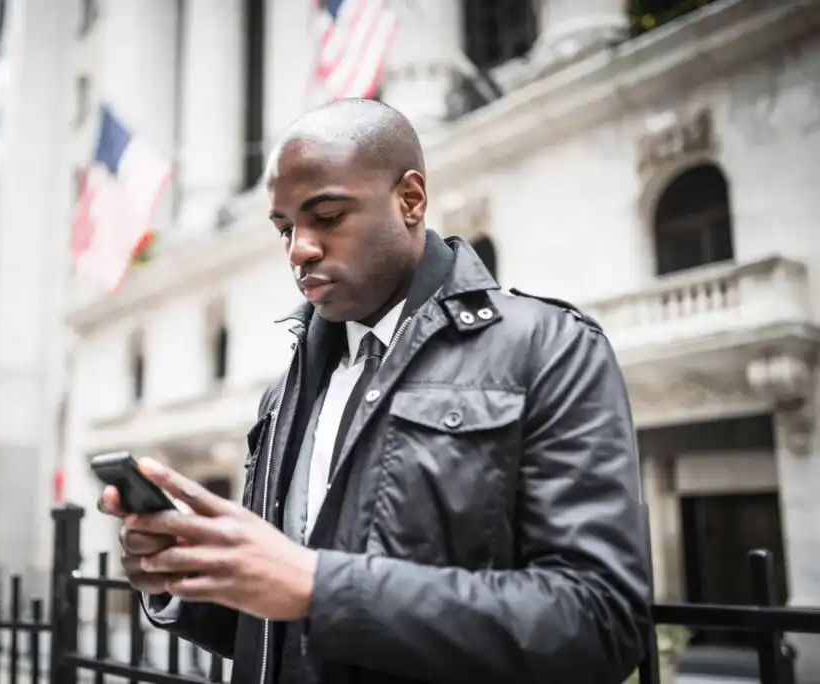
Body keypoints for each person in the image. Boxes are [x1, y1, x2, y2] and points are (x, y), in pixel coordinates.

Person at [99, 98, 651, 684]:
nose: (298, 250)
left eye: (328, 217)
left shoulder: (548, 347)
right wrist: (185, 576)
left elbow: (600, 622)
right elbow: (278, 628)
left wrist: (321, 586)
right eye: (285, 227)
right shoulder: (285, 391)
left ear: (411, 200)